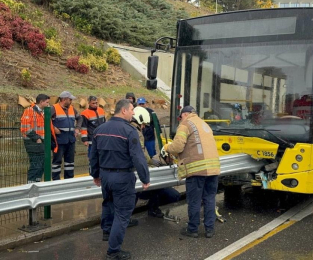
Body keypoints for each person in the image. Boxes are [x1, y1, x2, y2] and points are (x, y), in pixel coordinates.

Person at [90, 99, 150, 260]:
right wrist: (145, 178)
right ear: (123, 111)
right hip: (122, 177)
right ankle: (113, 251)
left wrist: (95, 175)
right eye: (131, 110)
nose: (133, 113)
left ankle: (107, 232)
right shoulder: (129, 131)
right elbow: (138, 157)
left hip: (105, 176)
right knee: (122, 214)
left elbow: (93, 155)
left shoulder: (100, 129)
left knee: (108, 204)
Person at [162, 106, 220, 238]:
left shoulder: (186, 124)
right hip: (213, 169)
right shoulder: (204, 124)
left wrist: (167, 147)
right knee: (209, 198)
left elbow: (177, 146)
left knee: (194, 200)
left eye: (180, 116)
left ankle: (193, 229)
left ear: (185, 114)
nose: (180, 119)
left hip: (197, 170)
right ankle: (209, 229)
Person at [20, 94, 55, 183]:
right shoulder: (29, 111)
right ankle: (31, 185)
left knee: (42, 165)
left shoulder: (43, 112)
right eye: (47, 102)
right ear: (41, 102)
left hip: (41, 142)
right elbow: (25, 127)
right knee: (36, 164)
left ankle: (37, 183)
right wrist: (36, 138)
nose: (48, 104)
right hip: (32, 142)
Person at [51, 91, 82, 180]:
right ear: (64, 99)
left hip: (70, 140)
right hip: (59, 140)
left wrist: (77, 128)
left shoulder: (72, 109)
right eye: (70, 99)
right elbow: (45, 120)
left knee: (70, 162)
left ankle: (69, 180)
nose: (71, 101)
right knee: (57, 162)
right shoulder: (54, 108)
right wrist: (53, 128)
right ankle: (56, 180)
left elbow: (80, 118)